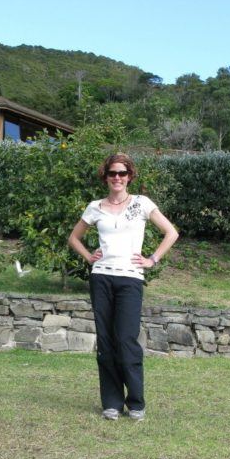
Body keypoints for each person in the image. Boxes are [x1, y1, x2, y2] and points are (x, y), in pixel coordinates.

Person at [68, 153, 178, 421]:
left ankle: (136, 403)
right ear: (105, 177)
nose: (117, 178)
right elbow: (74, 237)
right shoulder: (95, 207)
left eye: (122, 173)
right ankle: (112, 403)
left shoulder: (141, 203)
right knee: (106, 342)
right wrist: (88, 257)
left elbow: (171, 232)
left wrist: (152, 259)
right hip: (101, 278)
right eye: (112, 173)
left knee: (126, 340)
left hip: (130, 279)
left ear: (129, 176)